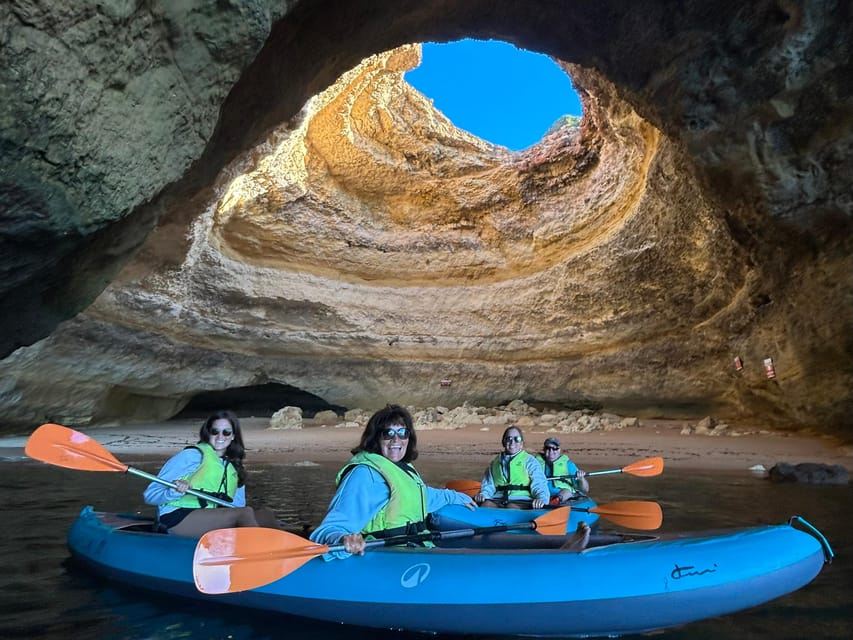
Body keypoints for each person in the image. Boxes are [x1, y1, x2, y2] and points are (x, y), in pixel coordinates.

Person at [309, 404, 476, 558]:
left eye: (403, 433)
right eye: (388, 433)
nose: (396, 440)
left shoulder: (403, 468)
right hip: (386, 558)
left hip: (415, 549)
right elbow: (328, 529)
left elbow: (424, 496)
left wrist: (455, 496)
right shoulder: (365, 475)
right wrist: (343, 539)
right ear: (376, 438)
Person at [143, 410, 280, 537]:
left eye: (226, 432)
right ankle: (259, 553)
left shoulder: (234, 467)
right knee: (245, 513)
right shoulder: (191, 456)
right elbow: (150, 496)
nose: (220, 436)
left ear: (233, 436)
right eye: (215, 431)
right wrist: (174, 491)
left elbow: (237, 506)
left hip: (211, 516)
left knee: (265, 514)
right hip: (176, 517)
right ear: (208, 433)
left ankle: (285, 549)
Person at [474, 426, 550, 509]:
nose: (512, 442)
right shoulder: (494, 463)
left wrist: (541, 499)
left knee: (511, 507)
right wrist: (483, 494)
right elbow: (488, 485)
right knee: (486, 505)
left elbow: (539, 484)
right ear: (503, 442)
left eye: (517, 439)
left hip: (522, 500)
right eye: (508, 439)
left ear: (521, 443)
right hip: (498, 499)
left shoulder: (530, 461)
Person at [535, 436, 589, 505]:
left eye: (554, 448)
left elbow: (585, 490)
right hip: (541, 494)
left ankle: (555, 502)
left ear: (559, 450)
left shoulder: (568, 464)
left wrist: (581, 478)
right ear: (544, 450)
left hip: (562, 496)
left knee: (567, 492)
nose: (551, 451)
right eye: (548, 448)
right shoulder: (535, 462)